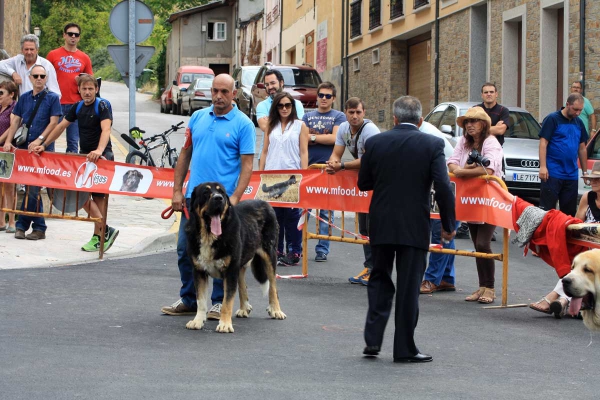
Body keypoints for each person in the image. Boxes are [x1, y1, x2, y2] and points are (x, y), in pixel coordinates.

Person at [358, 96, 456, 363]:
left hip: (381, 222)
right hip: (414, 225)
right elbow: (444, 187)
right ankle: (404, 348)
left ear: (394, 119)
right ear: (421, 120)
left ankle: (373, 340)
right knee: (409, 287)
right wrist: (449, 224)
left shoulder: (375, 142)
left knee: (379, 278)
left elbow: (363, 183)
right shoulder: (433, 144)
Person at [161, 74, 255, 321]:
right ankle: (190, 300)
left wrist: (235, 197)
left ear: (234, 94)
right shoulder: (197, 117)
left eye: (225, 91)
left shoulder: (243, 124)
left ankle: (217, 303)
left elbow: (247, 165)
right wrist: (177, 190)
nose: (219, 96)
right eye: (215, 91)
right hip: (197, 202)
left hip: (224, 205)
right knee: (185, 249)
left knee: (222, 255)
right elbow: (185, 154)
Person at [30, 74, 119, 252]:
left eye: (90, 89)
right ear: (79, 90)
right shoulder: (77, 107)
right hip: (85, 157)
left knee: (98, 198)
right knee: (82, 196)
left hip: (102, 157)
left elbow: (106, 129)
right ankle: (105, 229)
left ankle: (99, 236)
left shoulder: (102, 105)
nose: (87, 92)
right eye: (84, 89)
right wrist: (44, 145)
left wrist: (99, 151)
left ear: (96, 89)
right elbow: (61, 126)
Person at [529, 161, 600, 318]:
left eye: (598, 179)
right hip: (588, 249)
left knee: (582, 265)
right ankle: (562, 300)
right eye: (592, 179)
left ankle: (557, 298)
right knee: (576, 261)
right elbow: (576, 225)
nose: (593, 182)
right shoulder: (588, 197)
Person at [447, 107, 504, 304]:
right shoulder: (464, 142)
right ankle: (482, 287)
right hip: (471, 198)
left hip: (489, 199)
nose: (470, 125)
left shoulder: (491, 142)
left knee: (483, 243)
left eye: (474, 121)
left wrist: (462, 172)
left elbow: (488, 168)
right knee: (477, 245)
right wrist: (464, 169)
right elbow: (452, 162)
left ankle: (491, 288)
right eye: (467, 122)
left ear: (484, 125)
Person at [2, 65, 61, 240]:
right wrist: (8, 140)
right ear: (30, 77)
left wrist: (40, 140)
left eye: (42, 76)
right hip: (24, 149)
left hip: (42, 150)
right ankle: (36, 226)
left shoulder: (52, 98)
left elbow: (53, 122)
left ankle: (27, 225)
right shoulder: (25, 98)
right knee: (28, 187)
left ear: (46, 77)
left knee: (33, 188)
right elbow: (16, 120)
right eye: (35, 75)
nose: (39, 78)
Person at [325, 97, 380, 285]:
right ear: (346, 113)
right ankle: (369, 266)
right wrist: (333, 162)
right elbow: (336, 152)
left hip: (378, 182)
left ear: (364, 113)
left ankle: (377, 270)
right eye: (351, 112)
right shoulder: (343, 129)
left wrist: (341, 166)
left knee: (375, 227)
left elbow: (369, 160)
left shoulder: (370, 130)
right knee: (364, 228)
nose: (355, 116)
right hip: (364, 183)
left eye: (358, 112)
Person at [259, 92, 308, 266]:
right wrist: (261, 173)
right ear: (276, 108)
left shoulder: (300, 126)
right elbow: (264, 151)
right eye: (281, 105)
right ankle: (276, 250)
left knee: (292, 215)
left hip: (292, 177)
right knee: (274, 215)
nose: (284, 108)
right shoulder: (270, 125)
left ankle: (295, 251)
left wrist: (304, 175)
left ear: (292, 107)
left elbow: (303, 151)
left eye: (288, 105)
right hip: (272, 176)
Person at [303, 82, 346, 262]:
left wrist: (312, 137)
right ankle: (298, 246)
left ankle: (322, 249)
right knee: (303, 210)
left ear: (333, 98)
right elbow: (301, 140)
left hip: (328, 170)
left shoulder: (339, 116)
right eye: (321, 95)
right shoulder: (307, 116)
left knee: (326, 212)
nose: (324, 98)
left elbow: (335, 138)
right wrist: (321, 138)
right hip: (309, 170)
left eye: (328, 96)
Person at [418, 121, 460, 294]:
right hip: (441, 185)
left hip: (443, 187)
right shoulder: (421, 131)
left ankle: (432, 278)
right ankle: (446, 277)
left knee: (440, 233)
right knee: (446, 233)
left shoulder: (428, 135)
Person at [46, 23, 93, 154]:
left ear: (79, 37)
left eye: (76, 34)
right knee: (49, 138)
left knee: (73, 142)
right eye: (70, 34)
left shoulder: (84, 57)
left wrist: (82, 80)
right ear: (64, 35)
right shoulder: (53, 54)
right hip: (56, 103)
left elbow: (91, 81)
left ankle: (70, 171)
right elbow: (44, 76)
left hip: (76, 104)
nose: (73, 37)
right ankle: (47, 168)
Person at [539, 93, 587, 217]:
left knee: (569, 213)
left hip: (571, 174)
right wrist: (543, 167)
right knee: (547, 211)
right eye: (575, 109)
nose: (577, 113)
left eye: (580, 110)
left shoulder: (579, 123)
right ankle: (545, 235)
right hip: (553, 172)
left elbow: (582, 148)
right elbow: (543, 143)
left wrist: (585, 172)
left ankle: (564, 236)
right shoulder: (552, 119)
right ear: (567, 104)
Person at [0, 80, 18, 233]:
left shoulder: (14, 107)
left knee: (10, 187)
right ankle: (1, 221)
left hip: (8, 150)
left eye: (1, 93)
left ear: (11, 94)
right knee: (0, 187)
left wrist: (3, 140)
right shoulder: (0, 107)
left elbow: (13, 126)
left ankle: (12, 221)